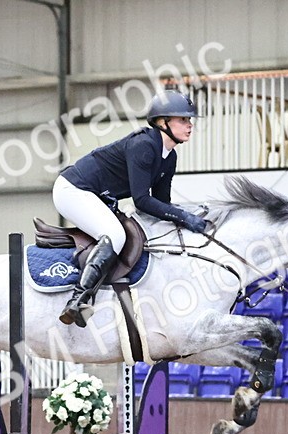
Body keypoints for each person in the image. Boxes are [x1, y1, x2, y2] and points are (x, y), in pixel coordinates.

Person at [53, 89, 209, 327]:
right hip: (73, 190)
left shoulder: (169, 157)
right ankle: (77, 300)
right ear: (163, 122)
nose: (190, 125)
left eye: (189, 120)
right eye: (183, 119)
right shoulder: (143, 146)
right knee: (115, 235)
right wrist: (184, 217)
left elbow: (161, 204)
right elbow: (142, 201)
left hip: (94, 195)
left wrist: (189, 213)